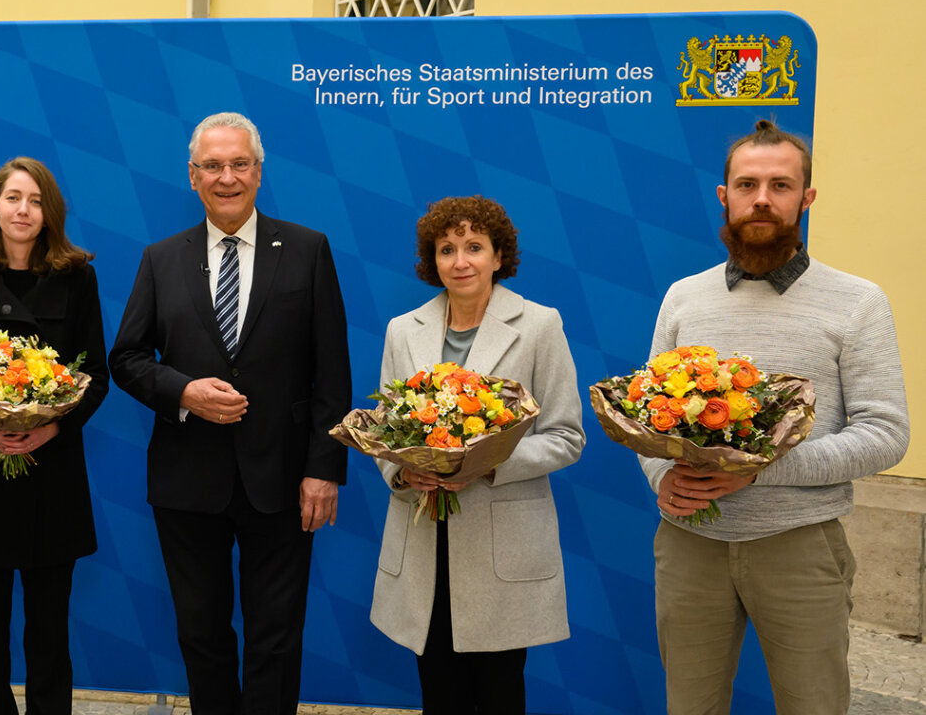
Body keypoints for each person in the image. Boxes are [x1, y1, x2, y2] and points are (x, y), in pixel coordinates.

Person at [642, 120, 909, 714]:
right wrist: (665, 479)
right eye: (747, 184)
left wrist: (757, 469)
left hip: (800, 546)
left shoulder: (857, 301)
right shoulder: (684, 298)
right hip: (690, 544)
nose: (762, 198)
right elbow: (647, 420)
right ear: (725, 195)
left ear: (806, 198)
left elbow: (886, 434)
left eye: (780, 185)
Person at [107, 111, 351, 713]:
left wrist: (324, 469)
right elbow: (127, 358)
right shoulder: (162, 258)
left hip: (284, 479)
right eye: (212, 166)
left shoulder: (307, 249)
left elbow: (333, 373)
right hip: (188, 480)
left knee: (276, 637)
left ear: (259, 172)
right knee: (202, 634)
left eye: (239, 164)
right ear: (192, 177)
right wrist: (184, 392)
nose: (227, 177)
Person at [368, 196, 584, 714]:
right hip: (425, 544)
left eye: (474, 247)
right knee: (438, 694)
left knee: (498, 695)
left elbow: (566, 436)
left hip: (501, 550)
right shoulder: (404, 330)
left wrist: (485, 466)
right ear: (432, 259)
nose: (460, 261)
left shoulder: (539, 326)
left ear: (497, 255)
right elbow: (383, 433)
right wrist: (404, 474)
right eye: (447, 249)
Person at [0, 157, 109, 715]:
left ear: (49, 212)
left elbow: (95, 377)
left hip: (52, 479)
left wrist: (51, 425)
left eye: (35, 200)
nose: (23, 210)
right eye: (13, 198)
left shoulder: (78, 279)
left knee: (49, 635)